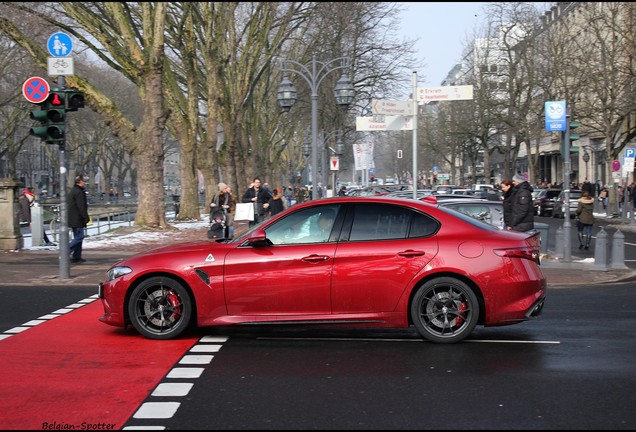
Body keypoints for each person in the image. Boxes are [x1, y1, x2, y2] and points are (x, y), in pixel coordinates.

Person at [68, 175, 90, 263]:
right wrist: (85, 217)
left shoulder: (74, 191)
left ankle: (77, 256)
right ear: (80, 182)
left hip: (73, 218)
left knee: (77, 237)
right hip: (77, 218)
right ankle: (66, 251)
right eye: (83, 181)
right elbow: (81, 206)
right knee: (79, 237)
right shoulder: (79, 192)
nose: (85, 183)